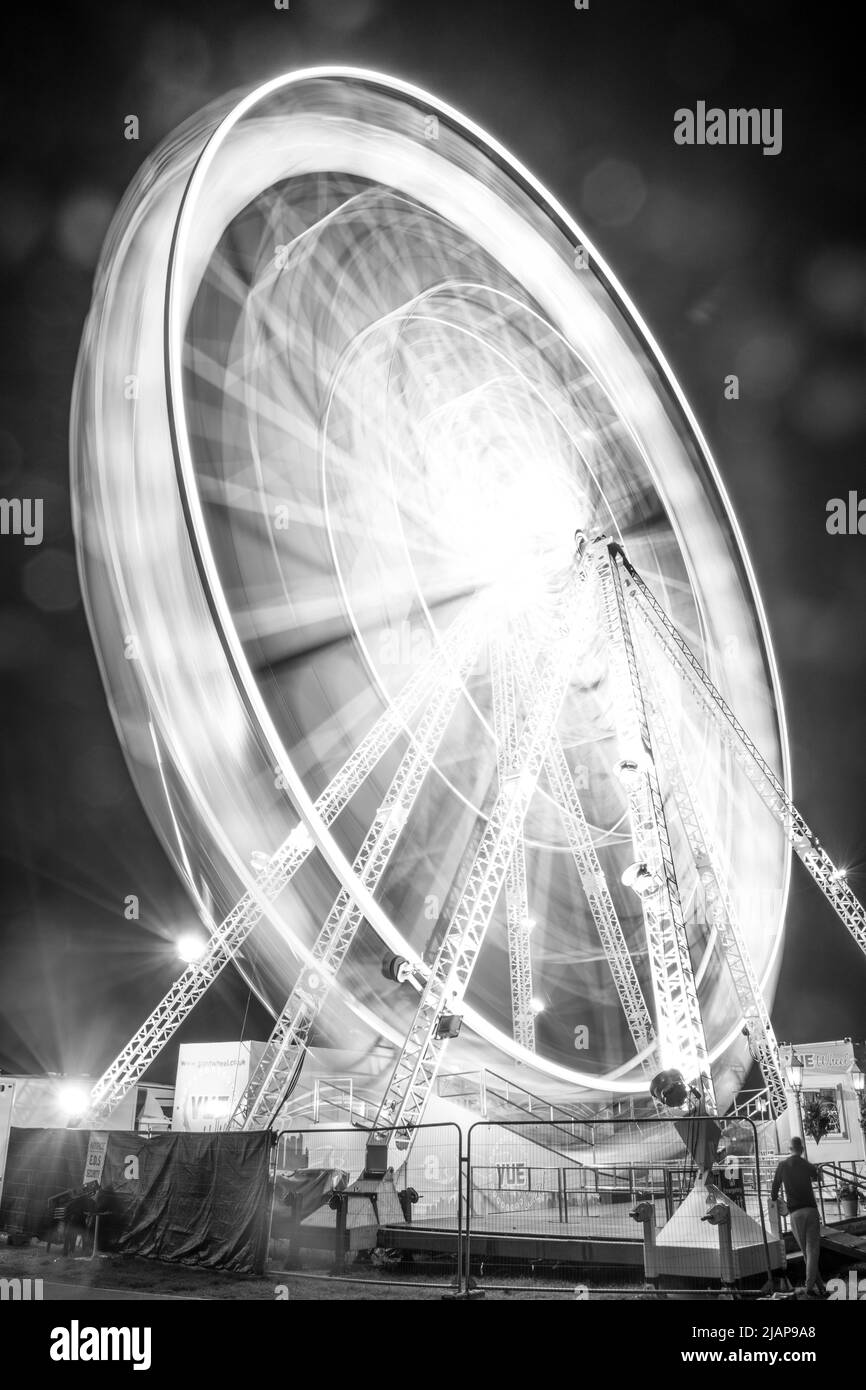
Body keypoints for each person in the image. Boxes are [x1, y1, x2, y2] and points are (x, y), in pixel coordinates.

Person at [770, 1136, 827, 1298]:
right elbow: (818, 1177)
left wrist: (778, 1200)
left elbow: (774, 1191)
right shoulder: (806, 1164)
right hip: (810, 1210)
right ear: (801, 1150)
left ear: (789, 1149)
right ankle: (816, 1286)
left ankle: (814, 1286)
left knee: (806, 1252)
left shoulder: (782, 1165)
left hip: (795, 1213)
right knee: (813, 1250)